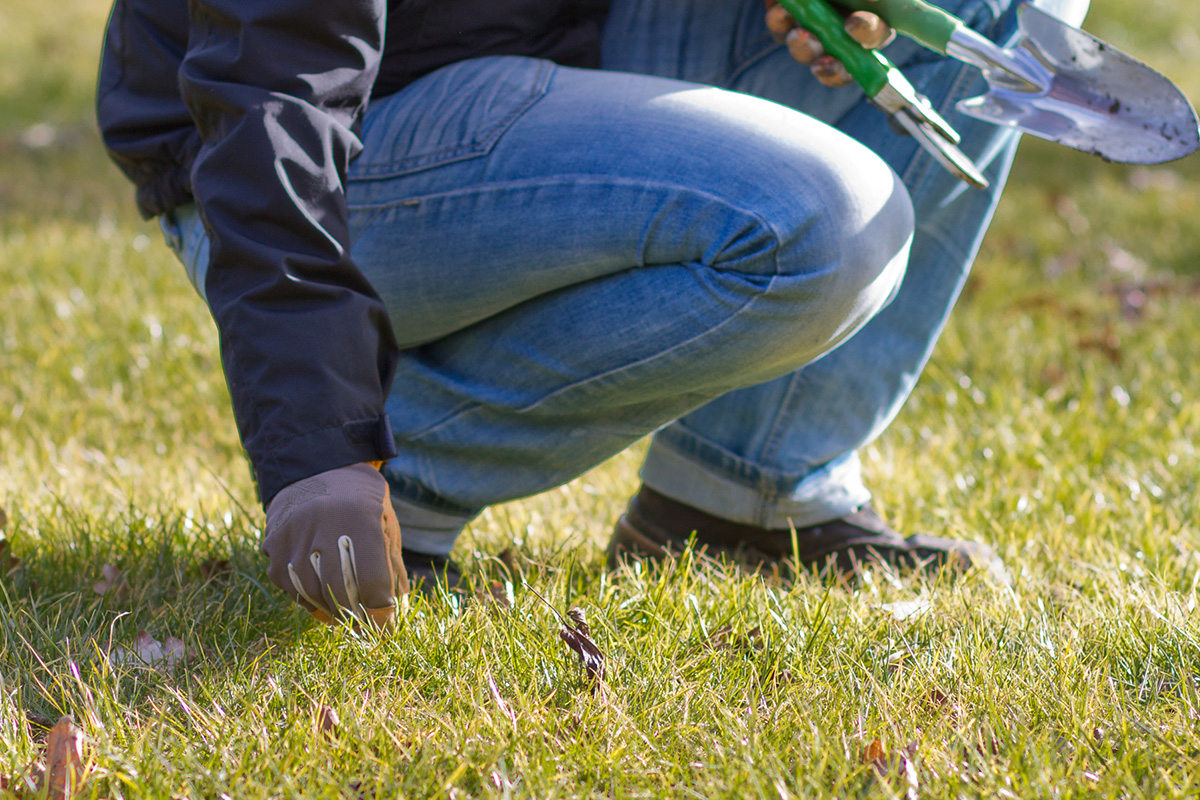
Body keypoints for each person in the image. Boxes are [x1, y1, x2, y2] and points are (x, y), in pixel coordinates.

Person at [97, 0, 1066, 626]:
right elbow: (270, 96)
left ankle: (743, 489)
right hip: (338, 151)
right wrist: (317, 442)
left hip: (543, 51)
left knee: (1006, 5)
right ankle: (408, 460)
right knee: (825, 224)